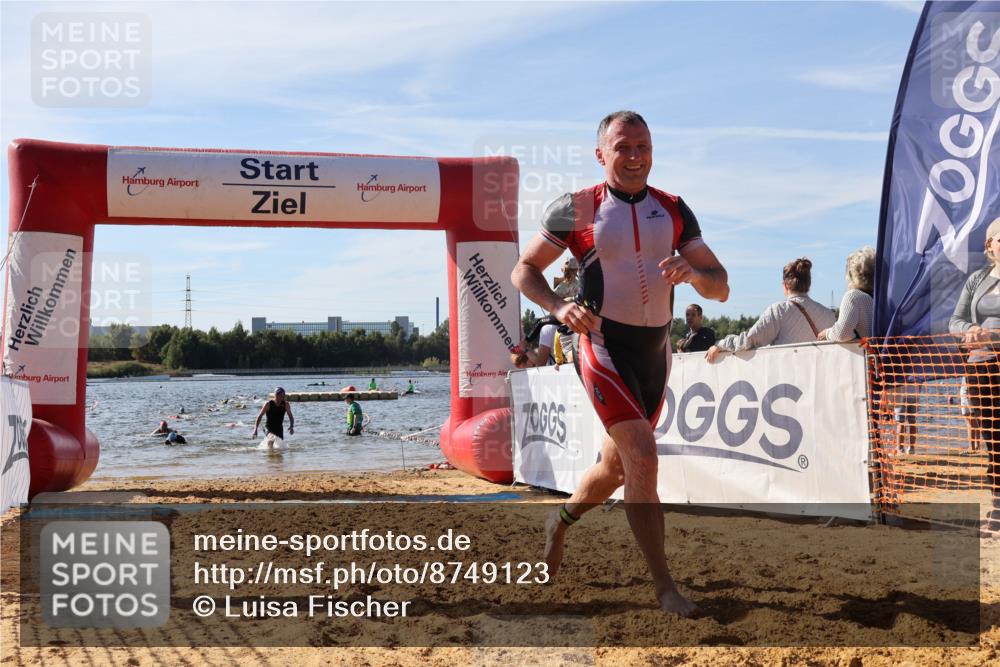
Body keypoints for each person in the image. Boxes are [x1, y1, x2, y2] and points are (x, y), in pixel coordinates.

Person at [511, 110, 729, 617]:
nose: (635, 158)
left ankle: (559, 522)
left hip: (656, 353)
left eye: (643, 147)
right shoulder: (578, 208)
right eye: (623, 147)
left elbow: (720, 285)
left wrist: (692, 273)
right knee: (644, 457)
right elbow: (524, 270)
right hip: (604, 348)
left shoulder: (673, 208)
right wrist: (559, 306)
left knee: (614, 468)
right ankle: (665, 588)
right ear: (601, 153)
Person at [950, 216, 1000, 529]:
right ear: (990, 245)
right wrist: (970, 329)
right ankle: (998, 503)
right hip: (981, 368)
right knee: (992, 437)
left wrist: (992, 336)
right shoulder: (977, 280)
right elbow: (954, 321)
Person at [706, 258, 834, 362]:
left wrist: (721, 344)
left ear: (785, 285)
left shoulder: (779, 311)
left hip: (788, 386)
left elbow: (748, 341)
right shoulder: (829, 315)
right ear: (809, 284)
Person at [818, 246, 875, 342]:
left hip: (866, 355)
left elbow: (842, 333)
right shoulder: (881, 298)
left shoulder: (853, 297)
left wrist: (826, 333)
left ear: (851, 273)